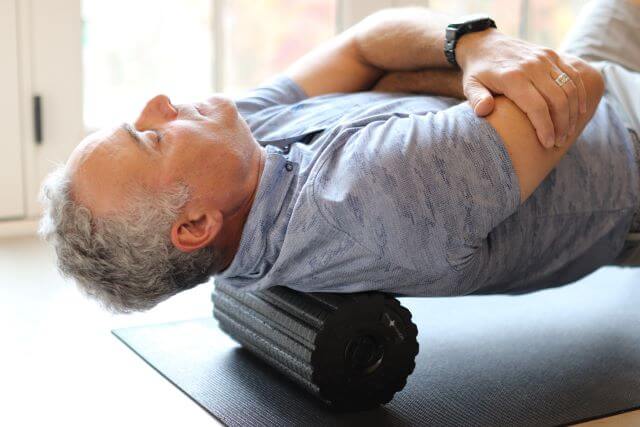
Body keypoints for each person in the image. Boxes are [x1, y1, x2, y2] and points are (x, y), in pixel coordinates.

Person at [40, 0, 640, 312]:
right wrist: (427, 69)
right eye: (153, 137)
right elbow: (574, 85)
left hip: (597, 96)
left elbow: (363, 38)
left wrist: (473, 44)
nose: (158, 102)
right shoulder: (363, 199)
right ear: (196, 225)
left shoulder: (238, 157)